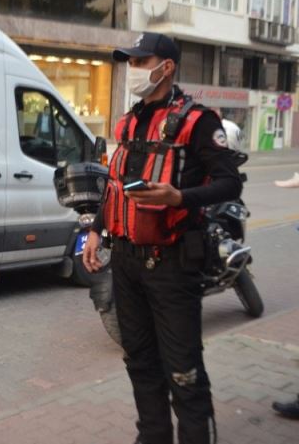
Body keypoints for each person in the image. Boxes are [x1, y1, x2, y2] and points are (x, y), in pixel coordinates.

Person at [83, 33, 243, 444]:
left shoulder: (199, 121)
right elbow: (117, 184)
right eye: (130, 63)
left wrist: (180, 197)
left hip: (173, 263)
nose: (133, 70)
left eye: (140, 61)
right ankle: (152, 436)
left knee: (182, 369)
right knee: (139, 360)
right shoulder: (131, 119)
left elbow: (229, 184)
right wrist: (96, 231)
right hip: (127, 261)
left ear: (166, 67)